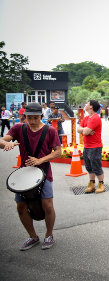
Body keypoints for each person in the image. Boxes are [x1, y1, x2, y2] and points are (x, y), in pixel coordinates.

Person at [0, 102, 61, 250]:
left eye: (35, 118)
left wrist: (40, 160)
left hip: (44, 173)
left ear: (41, 115)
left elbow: (58, 151)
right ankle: (33, 236)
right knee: (21, 206)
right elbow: (2, 140)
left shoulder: (50, 130)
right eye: (29, 118)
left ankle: (49, 234)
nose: (32, 121)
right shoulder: (18, 128)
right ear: (24, 116)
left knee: (47, 205)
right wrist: (4, 144)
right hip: (24, 174)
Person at [77, 100, 105, 193]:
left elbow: (84, 132)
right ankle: (92, 184)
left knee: (96, 166)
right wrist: (86, 129)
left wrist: (85, 130)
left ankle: (101, 184)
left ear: (91, 107)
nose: (85, 105)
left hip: (95, 147)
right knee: (89, 166)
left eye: (87, 104)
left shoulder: (95, 118)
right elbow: (78, 129)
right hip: (87, 146)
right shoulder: (86, 118)